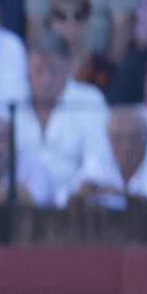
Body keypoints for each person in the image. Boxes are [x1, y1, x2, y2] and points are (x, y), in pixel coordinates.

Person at [13, 29, 108, 197]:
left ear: (68, 67)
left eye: (53, 70)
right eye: (39, 70)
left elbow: (96, 163)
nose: (46, 79)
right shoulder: (12, 101)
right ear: (27, 68)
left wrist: (63, 200)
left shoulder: (91, 100)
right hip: (21, 202)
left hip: (76, 202)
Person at [61, 107, 147, 209]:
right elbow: (62, 199)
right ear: (109, 139)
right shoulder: (99, 160)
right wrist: (81, 193)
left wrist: (106, 191)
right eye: (117, 139)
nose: (125, 147)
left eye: (133, 138)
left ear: (146, 139)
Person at [48, 0, 116, 94]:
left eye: (78, 15)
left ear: (89, 18)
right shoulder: (41, 67)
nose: (70, 23)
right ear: (53, 20)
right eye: (62, 16)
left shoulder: (105, 69)